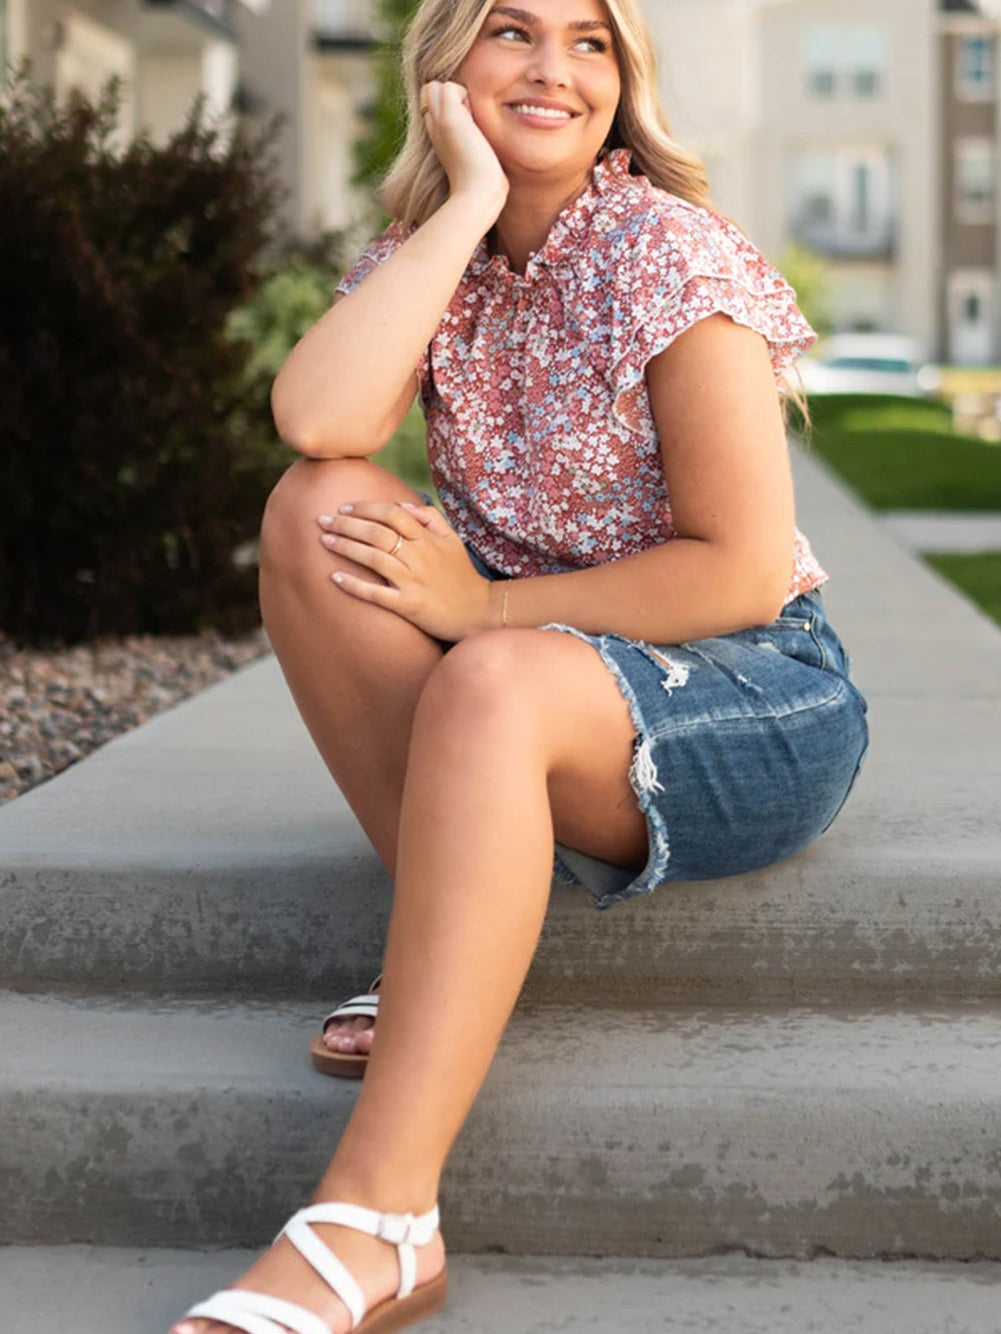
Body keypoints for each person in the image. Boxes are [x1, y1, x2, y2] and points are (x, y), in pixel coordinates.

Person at [172, 0, 869, 1330]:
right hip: (541, 674)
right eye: (510, 30)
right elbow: (317, 421)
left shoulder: (664, 249)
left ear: (624, 79)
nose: (554, 66)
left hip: (748, 684)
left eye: (590, 39)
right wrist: (465, 199)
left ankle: (381, 1214)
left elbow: (736, 567)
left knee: (489, 677)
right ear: (445, 68)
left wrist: (488, 610)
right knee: (312, 512)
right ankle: (460, 922)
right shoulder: (439, 259)